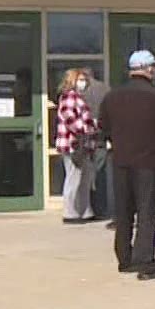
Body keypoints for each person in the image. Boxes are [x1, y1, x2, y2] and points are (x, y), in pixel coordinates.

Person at [98, 49, 155, 280]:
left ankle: (124, 258)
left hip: (121, 161)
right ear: (149, 69)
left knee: (124, 212)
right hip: (152, 162)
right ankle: (144, 262)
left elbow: (103, 127)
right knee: (148, 214)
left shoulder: (112, 97)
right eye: (154, 67)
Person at [54, 68, 100, 223]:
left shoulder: (80, 98)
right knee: (74, 179)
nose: (83, 83)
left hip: (84, 145)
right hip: (73, 145)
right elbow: (71, 121)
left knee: (85, 179)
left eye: (85, 80)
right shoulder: (68, 98)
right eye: (80, 80)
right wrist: (89, 128)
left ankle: (85, 210)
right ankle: (70, 212)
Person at [80, 71, 112, 222]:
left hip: (84, 138)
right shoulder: (105, 89)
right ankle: (101, 208)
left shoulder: (79, 92)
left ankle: (86, 207)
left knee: (84, 175)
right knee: (100, 174)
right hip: (99, 137)